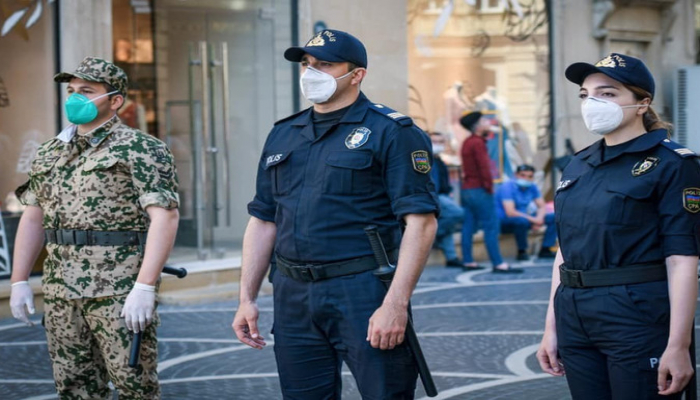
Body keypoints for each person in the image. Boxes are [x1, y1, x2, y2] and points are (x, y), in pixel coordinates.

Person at [231, 29, 439, 399]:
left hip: (361, 289)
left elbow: (420, 223)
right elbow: (264, 219)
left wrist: (395, 304)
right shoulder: (284, 134)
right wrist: (246, 297)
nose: (311, 73)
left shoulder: (391, 131)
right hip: (293, 293)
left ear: (356, 74)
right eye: (307, 64)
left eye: (325, 65)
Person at [9, 57, 180, 399]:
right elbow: (33, 217)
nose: (74, 97)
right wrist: (19, 280)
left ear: (115, 100)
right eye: (71, 90)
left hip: (118, 289)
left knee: (135, 385)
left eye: (86, 91)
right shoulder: (50, 152)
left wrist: (145, 286)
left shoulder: (141, 148)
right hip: (60, 289)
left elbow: (165, 216)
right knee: (74, 387)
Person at [536, 53, 700, 399]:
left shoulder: (672, 164)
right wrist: (551, 327)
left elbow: (682, 258)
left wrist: (679, 344)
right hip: (574, 312)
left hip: (635, 312)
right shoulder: (579, 164)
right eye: (585, 94)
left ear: (642, 103)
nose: (593, 102)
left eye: (607, 94)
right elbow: (565, 251)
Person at [460, 111, 521, 273]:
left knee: (468, 225)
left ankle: (468, 261)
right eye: (484, 120)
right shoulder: (478, 143)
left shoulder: (468, 141)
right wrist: (489, 187)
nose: (488, 122)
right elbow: (484, 167)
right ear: (477, 126)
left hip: (467, 189)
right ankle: (498, 263)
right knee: (491, 226)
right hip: (480, 189)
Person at [496, 164, 557, 261]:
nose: (526, 179)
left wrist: (539, 219)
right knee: (521, 221)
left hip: (525, 217)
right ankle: (522, 251)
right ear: (516, 175)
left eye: (530, 176)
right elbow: (510, 212)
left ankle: (546, 249)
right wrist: (534, 220)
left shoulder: (532, 186)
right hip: (505, 221)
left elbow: (541, 205)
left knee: (554, 217)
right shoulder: (507, 187)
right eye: (523, 175)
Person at [430, 131, 464, 267]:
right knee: (458, 213)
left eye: (440, 142)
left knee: (447, 226)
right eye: (434, 141)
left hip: (442, 195)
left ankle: (451, 258)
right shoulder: (424, 158)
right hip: (434, 196)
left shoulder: (439, 160)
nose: (438, 145)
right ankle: (432, 235)